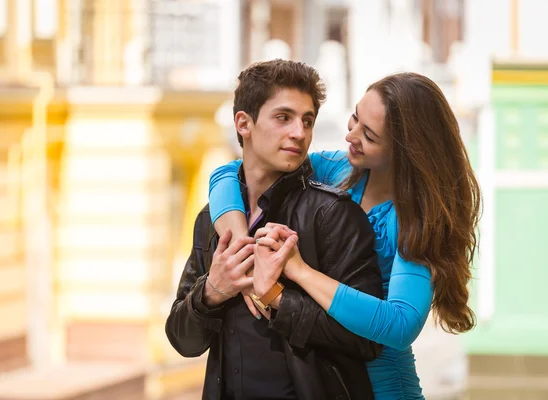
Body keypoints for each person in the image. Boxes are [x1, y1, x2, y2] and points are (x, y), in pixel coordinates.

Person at [208, 72, 482, 400]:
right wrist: (243, 253)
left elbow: (400, 325)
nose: (351, 135)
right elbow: (229, 173)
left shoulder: (417, 221)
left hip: (383, 391)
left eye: (368, 134)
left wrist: (299, 272)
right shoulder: (335, 171)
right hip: (330, 384)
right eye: (355, 117)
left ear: (405, 150)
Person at [166, 59, 384, 400]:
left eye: (307, 120)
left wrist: (278, 299)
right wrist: (212, 291)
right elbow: (183, 340)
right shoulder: (211, 220)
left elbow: (368, 340)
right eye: (284, 117)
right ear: (244, 124)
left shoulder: (333, 215)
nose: (299, 132)